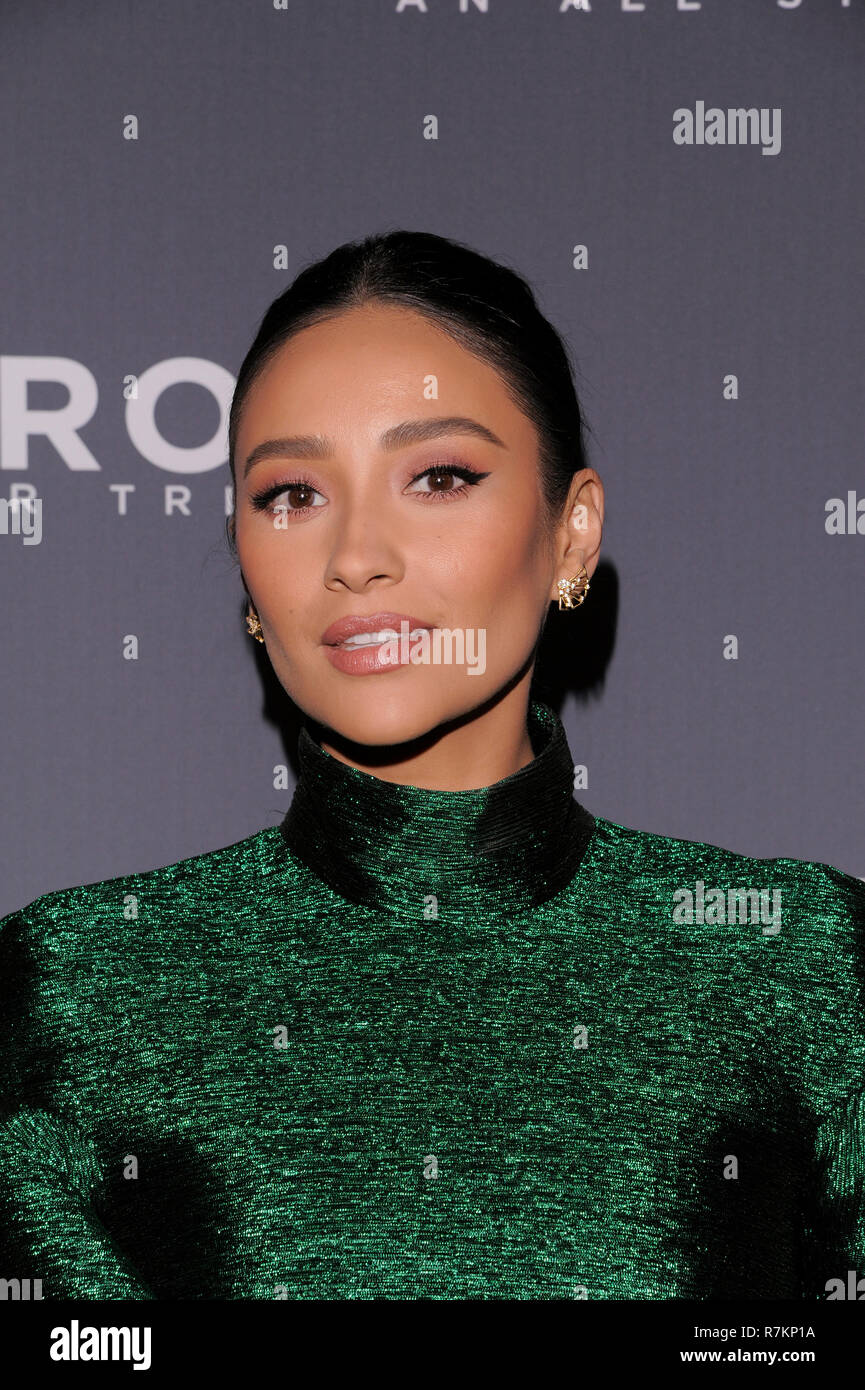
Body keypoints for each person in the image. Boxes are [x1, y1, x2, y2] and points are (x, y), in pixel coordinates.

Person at [0, 229, 862, 1301]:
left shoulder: (801, 962)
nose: (356, 553)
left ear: (571, 534)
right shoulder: (67, 993)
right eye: (290, 495)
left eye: (439, 475)